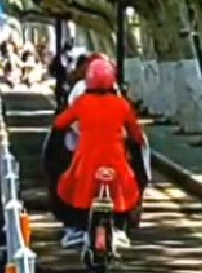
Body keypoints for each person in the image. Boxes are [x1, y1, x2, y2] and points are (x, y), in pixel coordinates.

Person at [49, 54, 147, 249]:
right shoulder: (122, 104)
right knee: (133, 183)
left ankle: (77, 228)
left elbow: (59, 123)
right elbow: (136, 134)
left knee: (71, 187)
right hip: (116, 162)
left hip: (86, 161)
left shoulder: (82, 102)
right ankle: (120, 227)